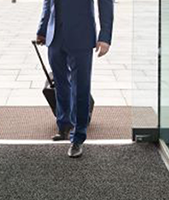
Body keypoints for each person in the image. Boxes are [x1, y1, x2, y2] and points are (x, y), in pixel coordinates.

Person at [35, 0, 114, 158]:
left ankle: (78, 137)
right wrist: (42, 29)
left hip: (81, 34)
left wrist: (105, 36)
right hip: (54, 36)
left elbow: (105, 3)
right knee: (60, 84)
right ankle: (64, 125)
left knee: (81, 88)